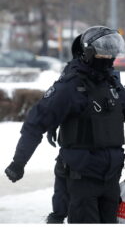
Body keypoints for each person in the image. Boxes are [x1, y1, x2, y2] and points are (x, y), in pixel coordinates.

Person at [4, 26, 125, 223]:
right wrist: (19, 162)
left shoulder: (112, 84)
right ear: (88, 53)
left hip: (111, 177)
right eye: (103, 53)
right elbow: (35, 123)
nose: (108, 58)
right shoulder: (70, 87)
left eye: (111, 53)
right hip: (82, 177)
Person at [45, 34, 82, 224]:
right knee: (64, 182)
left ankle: (58, 215)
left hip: (76, 147)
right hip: (72, 145)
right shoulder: (72, 73)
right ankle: (58, 216)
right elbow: (54, 101)